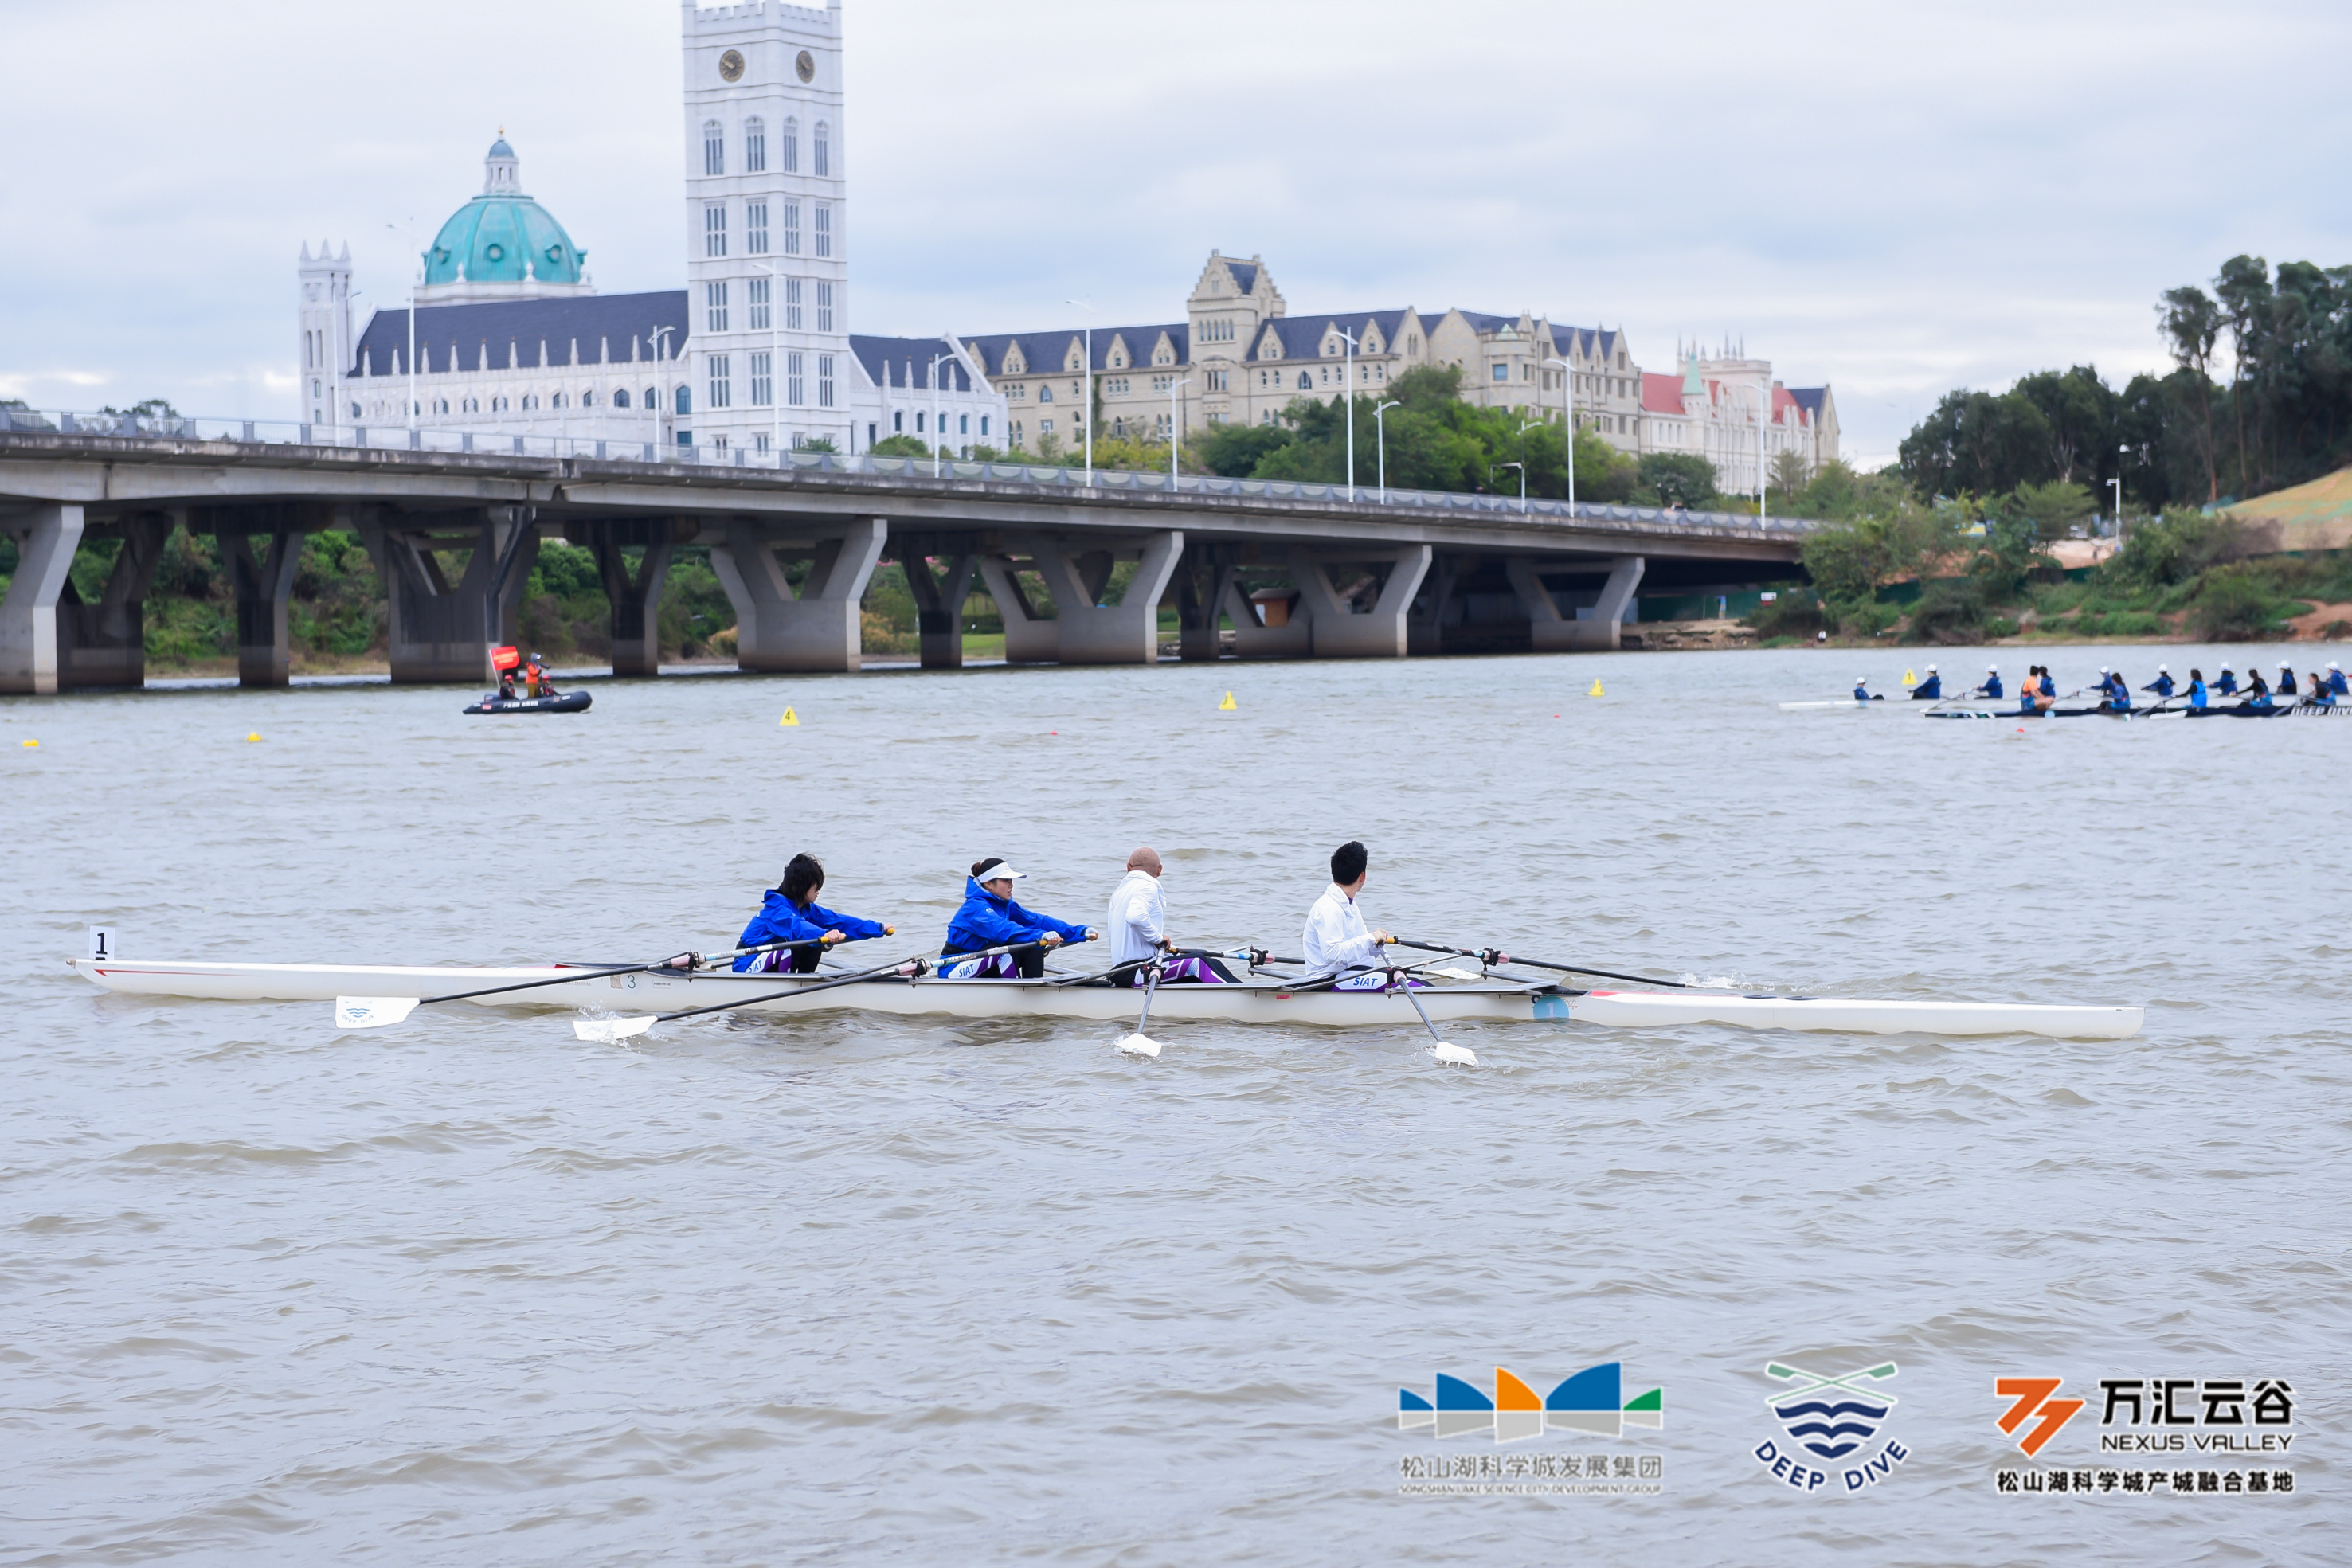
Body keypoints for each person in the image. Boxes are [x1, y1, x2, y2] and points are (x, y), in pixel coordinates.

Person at [734, 852, 894, 972]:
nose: (819, 891)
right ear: (801, 886)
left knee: (816, 943)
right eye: (815, 886)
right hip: (746, 962)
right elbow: (799, 928)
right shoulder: (777, 911)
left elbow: (840, 922)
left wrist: (878, 929)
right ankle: (791, 988)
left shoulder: (806, 909)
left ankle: (803, 984)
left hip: (769, 959)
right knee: (802, 941)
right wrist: (825, 934)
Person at [942, 858, 1096, 979]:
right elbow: (1002, 931)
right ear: (989, 883)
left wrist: (1079, 932)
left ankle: (1033, 993)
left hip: (982, 962)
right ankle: (1018, 996)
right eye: (1006, 880)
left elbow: (1038, 921)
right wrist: (1040, 935)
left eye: (1011, 880)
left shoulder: (1005, 905)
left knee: (1033, 946)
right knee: (1005, 949)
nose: (1011, 885)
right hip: (954, 966)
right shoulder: (974, 908)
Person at [1104, 847, 1235, 985]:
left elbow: (1139, 938)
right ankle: (1243, 997)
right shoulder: (1146, 886)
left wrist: (1174, 953)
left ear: (1128, 867)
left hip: (1125, 971)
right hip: (1138, 971)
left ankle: (1241, 990)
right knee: (1198, 962)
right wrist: (1158, 938)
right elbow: (1135, 918)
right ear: (1160, 870)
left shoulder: (1119, 892)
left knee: (1210, 961)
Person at [1302, 840, 1399, 989]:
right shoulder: (1329, 908)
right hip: (1327, 981)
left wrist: (1374, 944)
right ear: (1362, 876)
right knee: (1398, 983)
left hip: (1349, 974)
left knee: (1415, 982)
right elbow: (1333, 954)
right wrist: (1370, 938)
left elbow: (1358, 952)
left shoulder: (1349, 904)